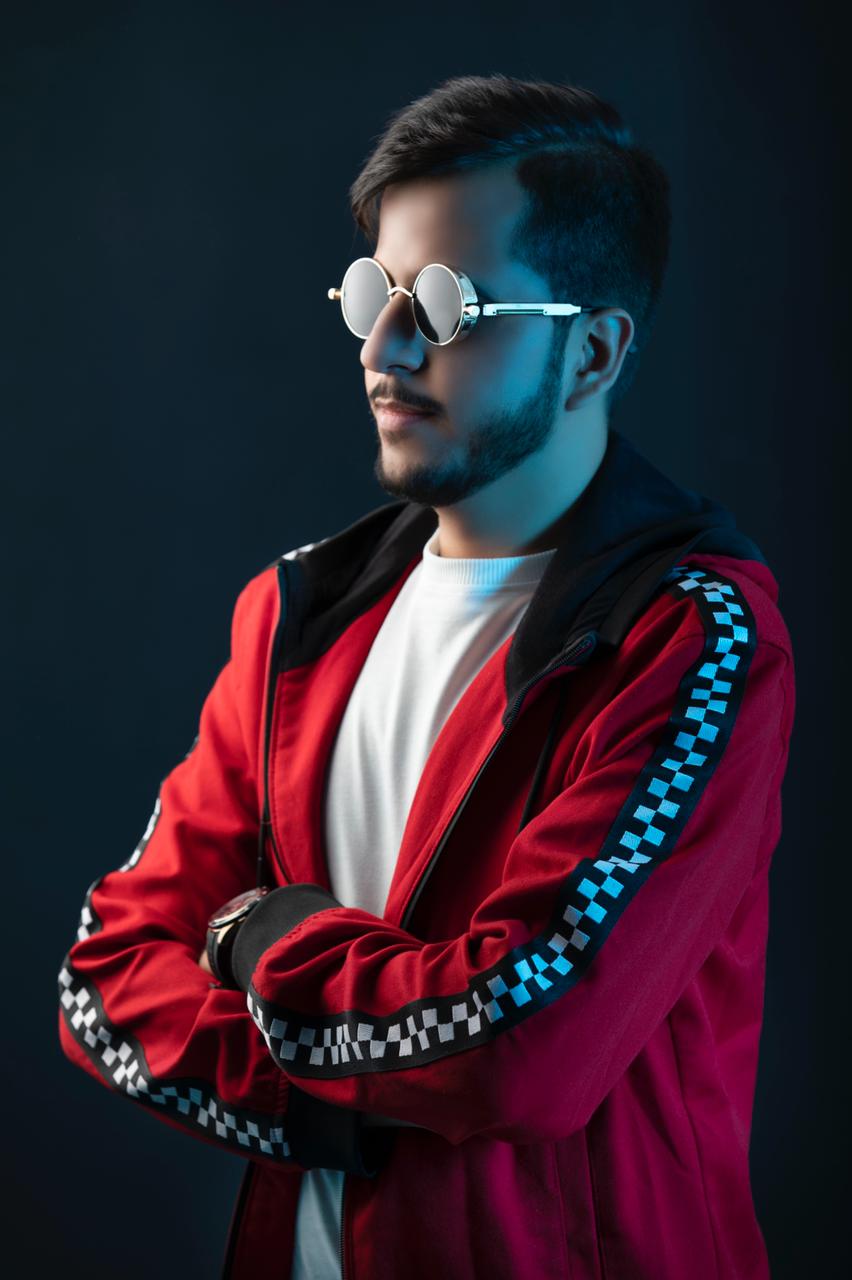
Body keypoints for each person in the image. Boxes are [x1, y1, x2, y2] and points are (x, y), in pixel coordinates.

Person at [58, 73, 795, 1280]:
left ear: (592, 349)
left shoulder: (691, 636)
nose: (385, 349)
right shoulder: (298, 616)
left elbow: (528, 1045)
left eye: (449, 306)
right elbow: (106, 976)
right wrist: (348, 1108)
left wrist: (261, 939)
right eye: (375, 295)